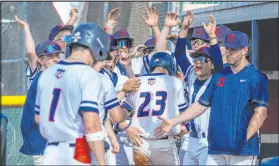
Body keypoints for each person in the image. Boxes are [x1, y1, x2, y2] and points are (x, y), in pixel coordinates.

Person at [154, 31, 268, 165]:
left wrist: (244, 139)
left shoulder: (256, 77)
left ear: (244, 50)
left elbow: (261, 113)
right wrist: (173, 121)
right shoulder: (219, 76)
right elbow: (200, 105)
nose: (229, 52)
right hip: (215, 149)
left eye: (234, 49)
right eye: (228, 48)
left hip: (243, 151)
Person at [34, 23, 127, 165]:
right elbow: (91, 125)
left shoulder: (48, 74)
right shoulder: (88, 75)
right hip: (78, 151)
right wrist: (102, 162)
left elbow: (38, 118)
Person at [124, 52, 186, 165]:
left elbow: (124, 110)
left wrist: (126, 126)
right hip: (164, 142)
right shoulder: (175, 82)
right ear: (170, 66)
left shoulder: (137, 82)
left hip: (140, 142)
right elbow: (182, 112)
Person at [19, 41, 62, 165]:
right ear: (41, 60)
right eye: (50, 56)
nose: (56, 59)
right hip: (42, 143)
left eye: (58, 56)